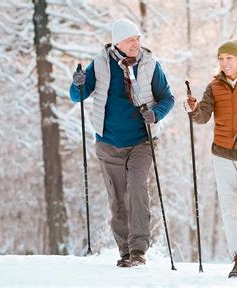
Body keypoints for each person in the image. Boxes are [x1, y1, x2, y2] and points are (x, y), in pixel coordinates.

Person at [70, 19, 175, 267]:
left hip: (142, 141)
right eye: (130, 40)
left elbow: (167, 98)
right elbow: (77, 96)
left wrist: (156, 114)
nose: (136, 44)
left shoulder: (149, 64)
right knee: (117, 199)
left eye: (138, 39)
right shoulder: (100, 63)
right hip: (108, 142)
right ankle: (125, 251)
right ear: (117, 42)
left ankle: (139, 251)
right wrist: (77, 83)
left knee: (137, 191)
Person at [184, 39, 237, 279]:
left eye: (229, 58)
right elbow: (203, 117)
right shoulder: (214, 87)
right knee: (230, 207)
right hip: (222, 154)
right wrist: (193, 109)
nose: (224, 63)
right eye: (221, 59)